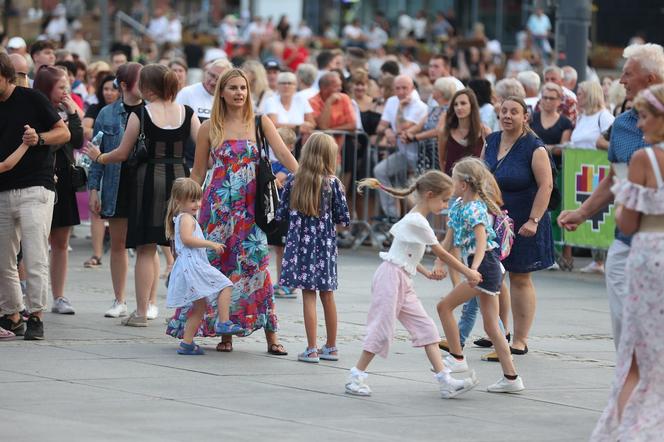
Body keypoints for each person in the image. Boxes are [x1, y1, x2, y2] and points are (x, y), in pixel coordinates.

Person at [170, 68, 297, 354]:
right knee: (219, 267)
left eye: (243, 88)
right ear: (222, 93)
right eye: (233, 88)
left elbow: (284, 154)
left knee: (256, 267)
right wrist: (183, 210)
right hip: (217, 209)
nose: (239, 93)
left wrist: (307, 176)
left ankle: (271, 336)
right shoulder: (209, 127)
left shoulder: (261, 122)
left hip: (252, 210)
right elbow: (198, 171)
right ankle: (224, 335)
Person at [558, 43, 664, 347]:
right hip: (627, 242)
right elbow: (612, 178)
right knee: (625, 323)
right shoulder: (623, 124)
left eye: (628, 74)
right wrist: (582, 212)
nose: (621, 81)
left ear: (651, 79)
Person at [345, 171, 481, 398]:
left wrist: (426, 272)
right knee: (381, 328)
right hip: (391, 278)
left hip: (400, 277)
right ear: (429, 195)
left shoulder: (417, 219)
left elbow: (404, 253)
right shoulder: (417, 221)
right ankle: (356, 376)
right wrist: (468, 272)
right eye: (444, 200)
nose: (446, 205)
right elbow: (440, 252)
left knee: (426, 328)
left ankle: (445, 381)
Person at [84, 64, 201, 326]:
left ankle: (141, 312)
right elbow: (204, 145)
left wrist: (99, 156)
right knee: (182, 246)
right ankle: (187, 313)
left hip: (149, 181)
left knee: (146, 248)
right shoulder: (188, 112)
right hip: (180, 179)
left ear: (148, 87)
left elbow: (122, 153)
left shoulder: (141, 114)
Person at [591, 83, 664, 441]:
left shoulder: (645, 159)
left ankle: (624, 430)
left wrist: (622, 202)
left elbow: (628, 223)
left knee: (637, 351)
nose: (639, 125)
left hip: (650, 253)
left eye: (646, 116)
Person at [436, 158, 524, 392]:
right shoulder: (457, 206)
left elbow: (482, 239)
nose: (451, 183)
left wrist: (473, 269)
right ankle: (512, 378)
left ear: (463, 184)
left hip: (485, 265)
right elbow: (447, 239)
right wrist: (438, 261)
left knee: (444, 307)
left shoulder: (475, 208)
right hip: (480, 266)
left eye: (454, 179)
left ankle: (456, 357)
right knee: (491, 326)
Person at [0, 52, 71, 339]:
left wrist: (38, 139)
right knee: (3, 258)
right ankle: (12, 313)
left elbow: (63, 133)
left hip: (35, 186)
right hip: (3, 187)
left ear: (5, 76)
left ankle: (37, 315)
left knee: (35, 252)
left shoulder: (32, 99)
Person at [483, 96, 554, 356]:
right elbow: (482, 176)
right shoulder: (491, 141)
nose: (508, 116)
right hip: (493, 219)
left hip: (524, 220)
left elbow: (546, 186)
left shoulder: (534, 147)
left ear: (525, 117)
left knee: (520, 277)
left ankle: (520, 339)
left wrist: (533, 220)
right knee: (493, 275)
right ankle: (498, 331)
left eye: (514, 112)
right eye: (504, 111)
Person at [276, 133, 350, 362]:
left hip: (300, 246)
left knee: (308, 295)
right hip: (325, 246)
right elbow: (343, 220)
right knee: (328, 295)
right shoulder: (333, 184)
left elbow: (281, 214)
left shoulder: (294, 180)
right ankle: (332, 346)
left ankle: (311, 348)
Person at [87, 62, 144, 318]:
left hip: (145, 184)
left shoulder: (152, 112)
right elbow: (94, 153)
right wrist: (93, 189)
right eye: (140, 81)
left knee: (147, 245)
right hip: (116, 183)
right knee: (119, 243)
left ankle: (149, 302)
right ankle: (119, 300)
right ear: (124, 85)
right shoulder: (107, 114)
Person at [164, 178, 240, 355]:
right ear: (178, 201)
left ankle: (187, 343)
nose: (197, 204)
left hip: (190, 265)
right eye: (192, 200)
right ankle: (223, 322)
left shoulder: (182, 217)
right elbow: (187, 239)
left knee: (199, 307)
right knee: (226, 285)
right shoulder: (186, 219)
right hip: (194, 266)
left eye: (198, 199)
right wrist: (210, 244)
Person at [33, 65, 84, 315]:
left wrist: (73, 114)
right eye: (61, 87)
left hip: (63, 178)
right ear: (46, 88)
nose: (66, 92)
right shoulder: (37, 110)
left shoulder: (65, 111)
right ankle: (31, 293)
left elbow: (77, 140)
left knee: (61, 241)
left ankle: (59, 295)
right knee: (34, 241)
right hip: (39, 178)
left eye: (68, 87)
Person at [569, 80, 615, 274]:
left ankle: (602, 259)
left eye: (581, 93)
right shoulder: (582, 118)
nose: (577, 97)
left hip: (599, 171)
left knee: (600, 212)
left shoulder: (604, 117)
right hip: (580, 172)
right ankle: (596, 259)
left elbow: (613, 141)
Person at [530, 82, 573, 272]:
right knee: (533, 211)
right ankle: (535, 253)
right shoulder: (533, 118)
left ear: (559, 101)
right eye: (544, 97)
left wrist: (541, 147)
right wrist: (547, 147)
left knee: (552, 212)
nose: (547, 101)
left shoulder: (564, 122)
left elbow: (561, 149)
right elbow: (528, 140)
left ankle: (552, 254)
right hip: (532, 171)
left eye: (551, 98)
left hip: (556, 170)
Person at [373, 75, 428, 219]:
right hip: (404, 155)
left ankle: (423, 224)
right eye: (397, 88)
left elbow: (400, 127)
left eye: (405, 88)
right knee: (380, 171)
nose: (401, 92)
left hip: (421, 157)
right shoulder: (391, 101)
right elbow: (380, 126)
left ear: (412, 88)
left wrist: (401, 108)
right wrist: (387, 131)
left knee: (416, 194)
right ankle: (391, 215)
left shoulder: (419, 105)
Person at [403, 77, 458, 173]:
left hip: (438, 152)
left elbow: (438, 130)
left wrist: (415, 137)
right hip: (425, 153)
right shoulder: (434, 109)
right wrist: (407, 133)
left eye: (435, 89)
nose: (432, 90)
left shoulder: (449, 110)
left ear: (441, 92)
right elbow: (420, 125)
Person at [269, 128, 298, 299]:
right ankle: (282, 281)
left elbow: (276, 179)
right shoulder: (273, 163)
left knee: (286, 248)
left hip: (287, 211)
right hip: (278, 210)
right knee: (279, 249)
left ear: (290, 147)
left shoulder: (287, 165)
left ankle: (290, 283)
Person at [436, 89, 491, 176]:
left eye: (463, 103)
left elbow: (489, 159)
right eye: (455, 104)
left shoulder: (484, 130)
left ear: (472, 106)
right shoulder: (445, 132)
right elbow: (442, 160)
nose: (459, 107)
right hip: (452, 183)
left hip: (476, 182)